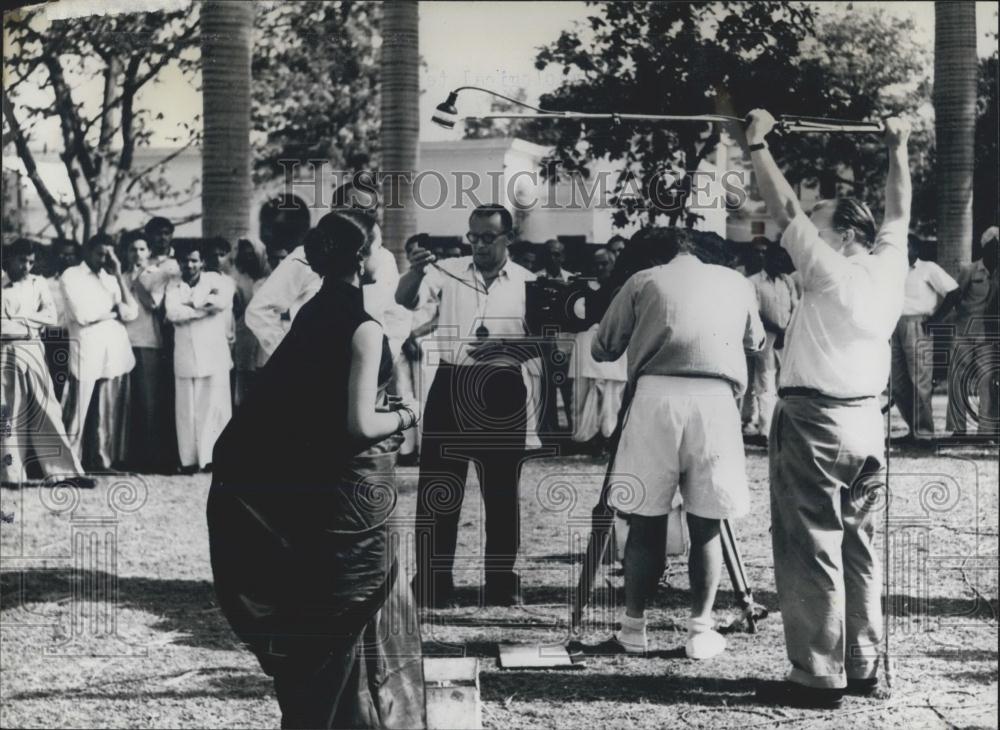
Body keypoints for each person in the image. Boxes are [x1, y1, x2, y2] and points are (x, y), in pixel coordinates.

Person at [207, 210, 425, 729]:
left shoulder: (311, 314)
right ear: (361, 257)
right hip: (353, 492)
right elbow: (356, 424)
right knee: (356, 614)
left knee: (320, 612)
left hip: (316, 491)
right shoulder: (363, 327)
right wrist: (405, 412)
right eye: (376, 248)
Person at [744, 109, 911, 708]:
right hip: (869, 424)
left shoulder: (830, 272)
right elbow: (898, 210)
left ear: (843, 233)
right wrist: (898, 147)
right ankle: (863, 665)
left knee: (810, 543)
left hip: (816, 420)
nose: (806, 233)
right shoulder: (888, 266)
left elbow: (786, 209)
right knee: (858, 544)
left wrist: (758, 144)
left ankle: (817, 675)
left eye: (821, 224)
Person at [593, 227, 764, 660]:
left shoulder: (643, 280)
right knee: (707, 521)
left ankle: (633, 626)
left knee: (645, 517)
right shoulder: (736, 283)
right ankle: (700, 629)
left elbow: (602, 348)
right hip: (716, 401)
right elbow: (755, 342)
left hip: (656, 399)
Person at [396, 203, 537, 607]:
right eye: (473, 236)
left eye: (488, 237)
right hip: (451, 383)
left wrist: (504, 347)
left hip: (502, 387)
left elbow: (545, 343)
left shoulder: (528, 282)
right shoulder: (449, 271)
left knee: (501, 492)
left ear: (508, 238)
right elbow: (405, 300)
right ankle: (433, 582)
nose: (478, 244)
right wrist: (416, 269)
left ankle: (500, 583)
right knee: (438, 490)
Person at [247, 181, 400, 363]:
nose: (364, 216)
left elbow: (396, 316)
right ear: (336, 210)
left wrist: (385, 359)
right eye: (356, 208)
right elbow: (259, 311)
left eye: (371, 210)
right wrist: (292, 359)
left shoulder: (384, 258)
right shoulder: (307, 256)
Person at [1, 239, 90, 488]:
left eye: (31, 261)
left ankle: (65, 472)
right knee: (8, 410)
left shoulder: (38, 283)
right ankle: (11, 475)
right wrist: (29, 322)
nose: (27, 266)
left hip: (33, 349)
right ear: (9, 259)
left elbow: (50, 316)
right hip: (5, 352)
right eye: (22, 260)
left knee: (47, 408)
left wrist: (19, 319)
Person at [60, 233, 138, 471]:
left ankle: (102, 462)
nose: (104, 258)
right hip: (85, 347)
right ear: (88, 251)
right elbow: (82, 314)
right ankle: (67, 464)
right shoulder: (71, 276)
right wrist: (113, 312)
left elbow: (131, 313)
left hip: (112, 349)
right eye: (100, 253)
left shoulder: (111, 277)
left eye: (109, 254)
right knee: (77, 409)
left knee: (106, 412)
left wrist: (118, 276)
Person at [164, 241, 235, 473]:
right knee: (186, 410)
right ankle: (189, 460)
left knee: (214, 407)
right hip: (185, 355)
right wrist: (202, 308)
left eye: (194, 260)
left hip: (213, 354)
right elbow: (173, 313)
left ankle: (213, 458)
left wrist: (191, 306)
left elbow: (220, 303)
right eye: (185, 260)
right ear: (179, 263)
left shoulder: (216, 281)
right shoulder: (173, 287)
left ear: (202, 262)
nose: (190, 264)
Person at [890, 234, 959, 443]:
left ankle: (925, 432)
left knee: (920, 380)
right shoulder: (892, 271)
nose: (902, 251)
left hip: (918, 325)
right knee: (898, 382)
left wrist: (936, 319)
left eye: (907, 246)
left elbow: (954, 291)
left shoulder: (928, 268)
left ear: (916, 250)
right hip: (893, 326)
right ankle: (913, 430)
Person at [121, 237, 172, 473]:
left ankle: (151, 458)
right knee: (129, 402)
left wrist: (137, 280)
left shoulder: (157, 274)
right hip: (123, 342)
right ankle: (130, 456)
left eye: (142, 248)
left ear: (149, 251)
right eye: (132, 248)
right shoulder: (119, 275)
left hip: (148, 343)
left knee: (148, 402)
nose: (137, 253)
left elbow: (153, 304)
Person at [943, 228, 998, 439]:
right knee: (957, 380)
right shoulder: (970, 270)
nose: (997, 251)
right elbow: (953, 298)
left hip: (988, 338)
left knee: (988, 381)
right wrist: (936, 320)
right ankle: (958, 429)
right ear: (985, 247)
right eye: (993, 246)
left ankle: (986, 431)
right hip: (964, 333)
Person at [572, 245, 627, 453]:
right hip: (587, 347)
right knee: (584, 394)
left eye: (605, 264)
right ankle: (587, 438)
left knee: (611, 397)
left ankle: (609, 437)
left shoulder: (623, 288)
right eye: (596, 265)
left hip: (614, 350)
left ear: (613, 265)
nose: (600, 268)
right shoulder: (583, 289)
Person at [745, 240, 800, 442]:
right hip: (766, 337)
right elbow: (756, 311)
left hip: (786, 337)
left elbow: (795, 307)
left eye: (783, 260)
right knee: (765, 383)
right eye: (775, 259)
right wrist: (777, 330)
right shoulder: (754, 282)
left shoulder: (787, 281)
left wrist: (786, 332)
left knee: (785, 384)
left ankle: (783, 428)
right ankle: (766, 431)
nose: (779, 263)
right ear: (767, 259)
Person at [537, 238, 577, 435]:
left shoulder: (572, 280)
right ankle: (549, 434)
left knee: (569, 389)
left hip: (565, 343)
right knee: (546, 389)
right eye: (548, 254)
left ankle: (573, 431)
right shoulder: (534, 279)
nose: (552, 258)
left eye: (557, 254)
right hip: (544, 343)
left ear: (563, 256)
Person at [231, 239, 265, 408]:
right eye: (244, 253)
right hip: (243, 335)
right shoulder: (237, 278)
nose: (248, 257)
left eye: (252, 253)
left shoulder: (269, 278)